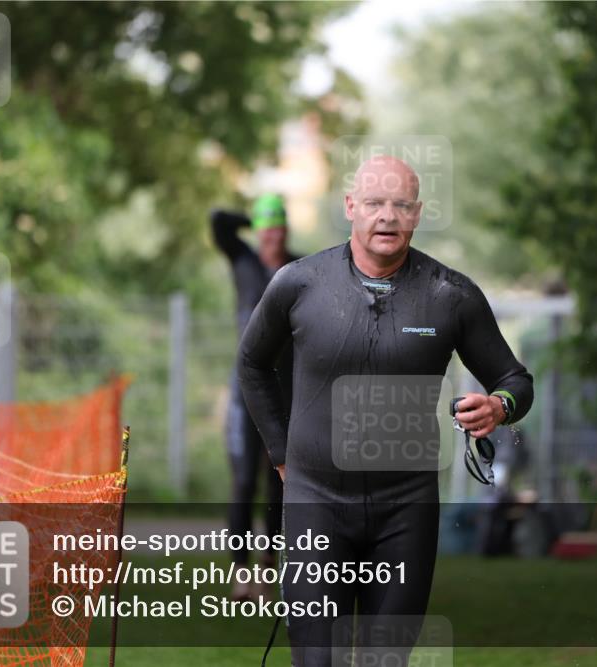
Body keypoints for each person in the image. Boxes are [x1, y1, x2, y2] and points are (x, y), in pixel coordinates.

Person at [237, 156, 534, 665]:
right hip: (316, 506)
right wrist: (283, 454)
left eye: (400, 205)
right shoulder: (298, 283)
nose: (387, 217)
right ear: (351, 207)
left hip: (405, 511)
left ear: (417, 214)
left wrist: (499, 407)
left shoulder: (450, 296)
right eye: (374, 203)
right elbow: (251, 363)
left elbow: (515, 381)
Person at [210, 194, 299, 601]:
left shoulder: (298, 268)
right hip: (245, 391)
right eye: (267, 228)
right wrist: (253, 217)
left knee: (278, 482)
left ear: (286, 230)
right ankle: (240, 571)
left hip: (286, 390)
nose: (273, 235)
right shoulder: (244, 261)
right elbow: (217, 220)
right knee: (244, 479)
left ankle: (268, 570)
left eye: (278, 227)